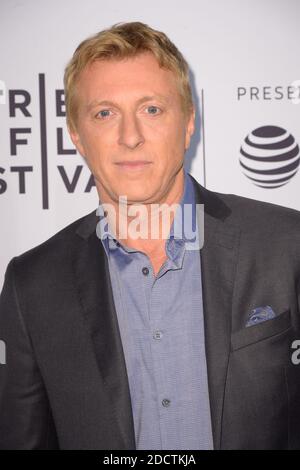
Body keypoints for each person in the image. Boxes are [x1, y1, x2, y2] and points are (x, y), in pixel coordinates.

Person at [0, 21, 300, 450]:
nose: (130, 136)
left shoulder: (287, 246)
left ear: (190, 122)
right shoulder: (32, 285)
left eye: (152, 109)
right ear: (77, 138)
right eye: (105, 113)